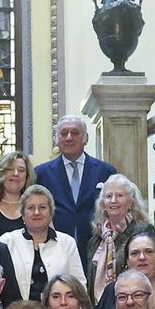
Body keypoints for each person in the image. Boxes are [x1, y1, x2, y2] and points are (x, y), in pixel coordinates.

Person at [34, 114, 118, 265]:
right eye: (63, 133)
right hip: (54, 251)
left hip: (97, 249)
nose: (69, 137)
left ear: (85, 138)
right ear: (57, 139)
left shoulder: (106, 171)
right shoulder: (41, 174)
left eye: (75, 133)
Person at [0, 185, 84, 303]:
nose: (37, 212)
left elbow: (79, 285)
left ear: (51, 213)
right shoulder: (6, 242)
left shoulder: (67, 243)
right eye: (31, 208)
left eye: (42, 207)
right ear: (23, 214)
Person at [86, 174, 151, 302]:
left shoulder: (142, 233)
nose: (113, 200)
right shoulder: (95, 241)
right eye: (109, 196)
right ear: (103, 203)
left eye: (119, 196)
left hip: (132, 305)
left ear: (131, 201)